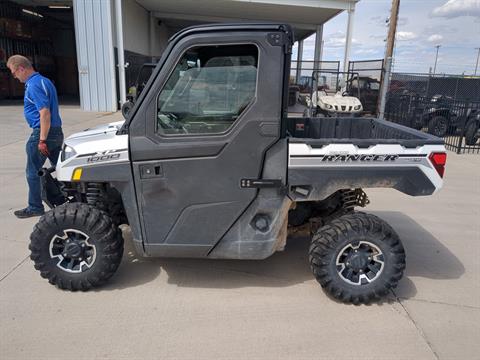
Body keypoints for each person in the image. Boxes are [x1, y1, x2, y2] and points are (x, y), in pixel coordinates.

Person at [7, 55, 64, 218]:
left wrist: (42, 140)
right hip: (56, 131)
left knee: (32, 172)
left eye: (14, 72)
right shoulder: (45, 81)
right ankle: (70, 198)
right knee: (61, 168)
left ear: (21, 68)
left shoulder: (33, 85)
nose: (15, 77)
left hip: (43, 132)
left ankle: (35, 207)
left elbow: (44, 113)